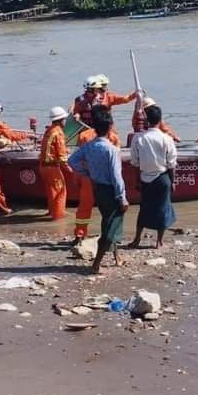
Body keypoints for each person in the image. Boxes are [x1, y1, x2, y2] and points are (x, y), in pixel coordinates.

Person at [68, 107, 129, 274]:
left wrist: (86, 173)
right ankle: (96, 263)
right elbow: (117, 176)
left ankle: (117, 257)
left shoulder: (89, 146)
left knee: (108, 223)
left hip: (98, 188)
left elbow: (71, 160)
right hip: (111, 190)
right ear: (110, 127)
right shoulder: (111, 149)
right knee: (110, 228)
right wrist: (122, 197)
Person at [128, 105, 177, 249]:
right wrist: (172, 182)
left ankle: (137, 239)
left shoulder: (138, 138)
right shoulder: (166, 138)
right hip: (162, 178)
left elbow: (135, 163)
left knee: (144, 209)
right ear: (160, 120)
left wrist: (137, 180)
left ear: (146, 120)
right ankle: (159, 241)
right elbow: (171, 164)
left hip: (145, 178)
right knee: (163, 208)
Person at [72, 105, 121, 243]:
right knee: (110, 209)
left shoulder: (83, 136)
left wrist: (80, 176)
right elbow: (116, 163)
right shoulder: (113, 136)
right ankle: (111, 237)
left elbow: (77, 159)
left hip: (88, 177)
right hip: (107, 179)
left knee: (84, 206)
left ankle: (80, 235)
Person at [38, 106, 73, 220]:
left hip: (43, 166)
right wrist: (69, 169)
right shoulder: (58, 132)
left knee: (51, 192)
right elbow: (62, 157)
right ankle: (58, 218)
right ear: (61, 120)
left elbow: (51, 148)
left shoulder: (49, 130)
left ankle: (52, 213)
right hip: (52, 168)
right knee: (60, 192)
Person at [72, 74, 137, 128]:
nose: (98, 91)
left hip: (105, 128)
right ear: (90, 89)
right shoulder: (79, 100)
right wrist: (77, 115)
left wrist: (134, 95)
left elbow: (125, 99)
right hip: (87, 128)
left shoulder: (109, 96)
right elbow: (76, 111)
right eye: (96, 89)